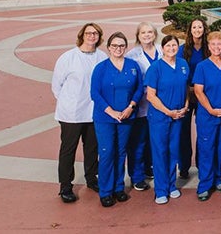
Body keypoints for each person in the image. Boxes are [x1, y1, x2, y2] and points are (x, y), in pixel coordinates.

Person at [51, 22, 107, 203]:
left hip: (94, 112)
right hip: (72, 113)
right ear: (82, 35)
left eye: (96, 34)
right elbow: (56, 85)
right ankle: (65, 186)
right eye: (89, 33)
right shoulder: (68, 57)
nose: (92, 36)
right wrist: (68, 101)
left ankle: (92, 178)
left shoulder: (102, 57)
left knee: (92, 148)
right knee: (68, 149)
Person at [90, 32, 144, 207]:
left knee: (121, 152)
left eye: (121, 46)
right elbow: (95, 93)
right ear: (108, 48)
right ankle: (105, 191)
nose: (118, 49)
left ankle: (118, 187)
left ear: (125, 47)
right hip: (105, 118)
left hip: (126, 117)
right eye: (114, 46)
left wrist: (131, 107)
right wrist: (111, 112)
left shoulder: (133, 66)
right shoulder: (101, 68)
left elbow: (139, 88)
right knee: (107, 152)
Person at [193, 31, 221, 201]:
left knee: (220, 148)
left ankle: (217, 179)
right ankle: (204, 184)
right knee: (207, 149)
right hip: (208, 116)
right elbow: (198, 91)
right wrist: (211, 110)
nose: (217, 47)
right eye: (213, 44)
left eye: (219, 44)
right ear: (208, 46)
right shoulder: (202, 66)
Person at [146, 34, 189, 205]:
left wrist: (185, 106)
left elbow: (185, 87)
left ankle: (172, 185)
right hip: (160, 118)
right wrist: (168, 112)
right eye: (168, 46)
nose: (171, 49)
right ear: (162, 48)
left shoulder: (183, 64)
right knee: (160, 152)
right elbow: (150, 96)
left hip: (178, 116)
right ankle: (161, 190)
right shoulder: (155, 68)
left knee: (173, 151)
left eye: (174, 45)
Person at [125, 22, 161, 191]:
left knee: (154, 140)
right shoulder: (132, 56)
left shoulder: (163, 50)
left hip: (160, 105)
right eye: (143, 32)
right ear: (138, 36)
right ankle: (137, 176)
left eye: (150, 32)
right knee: (138, 141)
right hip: (142, 105)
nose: (147, 35)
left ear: (155, 34)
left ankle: (149, 167)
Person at [177, 17, 209, 179]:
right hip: (187, 95)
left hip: (204, 95)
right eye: (194, 27)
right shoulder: (183, 50)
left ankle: (202, 164)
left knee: (203, 131)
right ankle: (184, 166)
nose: (197, 30)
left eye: (200, 27)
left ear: (204, 29)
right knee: (184, 131)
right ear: (190, 30)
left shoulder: (208, 48)